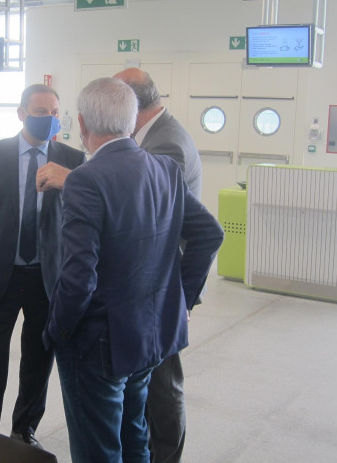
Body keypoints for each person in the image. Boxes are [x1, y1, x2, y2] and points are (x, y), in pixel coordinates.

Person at [43, 77, 224, 463]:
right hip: (149, 335)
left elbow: (78, 276)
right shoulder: (164, 170)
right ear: (131, 120)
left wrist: (57, 331)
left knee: (99, 448)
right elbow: (210, 233)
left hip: (99, 343)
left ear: (82, 123)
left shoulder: (86, 181)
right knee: (134, 437)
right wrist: (178, 297)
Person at [0, 84, 85, 447]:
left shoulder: (72, 160)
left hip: (47, 278)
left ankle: (24, 427)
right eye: (40, 110)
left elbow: (82, 216)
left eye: (54, 111)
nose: (48, 118)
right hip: (1, 272)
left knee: (38, 357)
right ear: (21, 113)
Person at [115, 67, 202, 463]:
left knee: (163, 381)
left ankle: (164, 455)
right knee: (149, 374)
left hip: (160, 284)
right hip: (150, 282)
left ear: (131, 105)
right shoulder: (151, 136)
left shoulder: (167, 145)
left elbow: (142, 213)